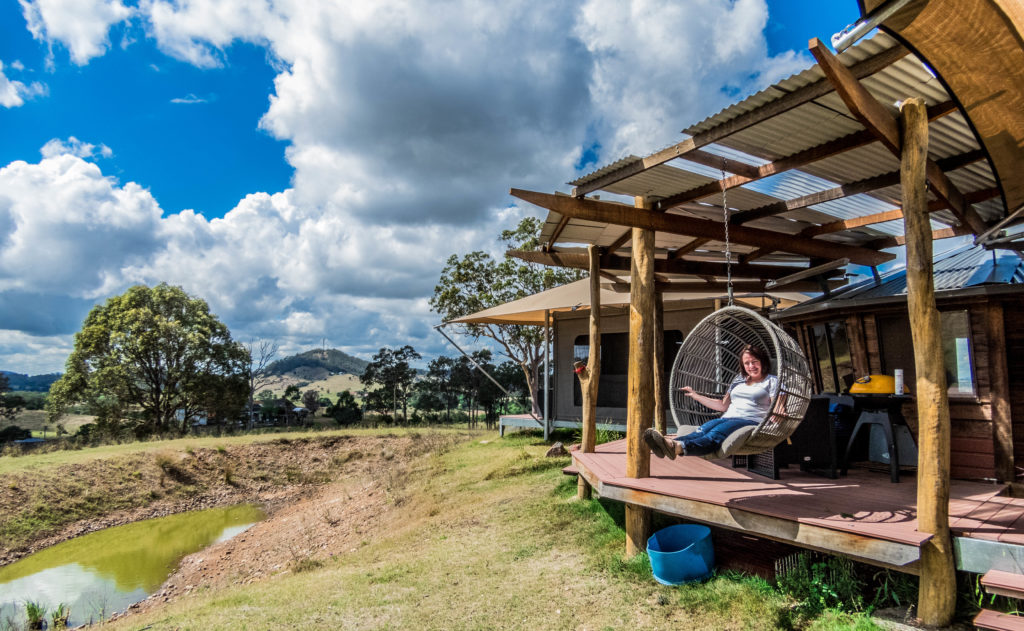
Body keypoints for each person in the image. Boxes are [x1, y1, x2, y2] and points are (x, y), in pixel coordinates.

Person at [645, 344, 779, 459]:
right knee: (701, 431)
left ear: (762, 361)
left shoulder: (772, 381)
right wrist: (696, 395)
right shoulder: (739, 379)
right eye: (746, 363)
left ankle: (677, 447)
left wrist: (779, 417)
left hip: (750, 420)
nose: (751, 366)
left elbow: (777, 407)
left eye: (754, 361)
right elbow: (722, 405)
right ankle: (667, 444)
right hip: (728, 418)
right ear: (742, 365)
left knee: (715, 434)